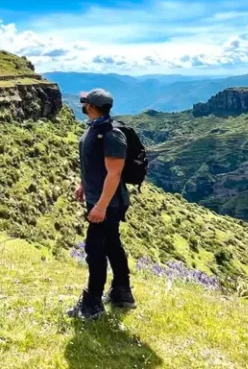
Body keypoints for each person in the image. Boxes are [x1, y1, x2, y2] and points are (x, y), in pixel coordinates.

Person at [68, 88, 136, 321]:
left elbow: (114, 174)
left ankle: (92, 303)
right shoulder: (95, 129)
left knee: (95, 250)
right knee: (111, 244)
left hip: (108, 204)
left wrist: (100, 206)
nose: (83, 105)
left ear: (92, 107)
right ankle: (122, 293)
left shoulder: (110, 135)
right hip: (99, 199)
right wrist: (84, 185)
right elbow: (94, 164)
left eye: (85, 102)